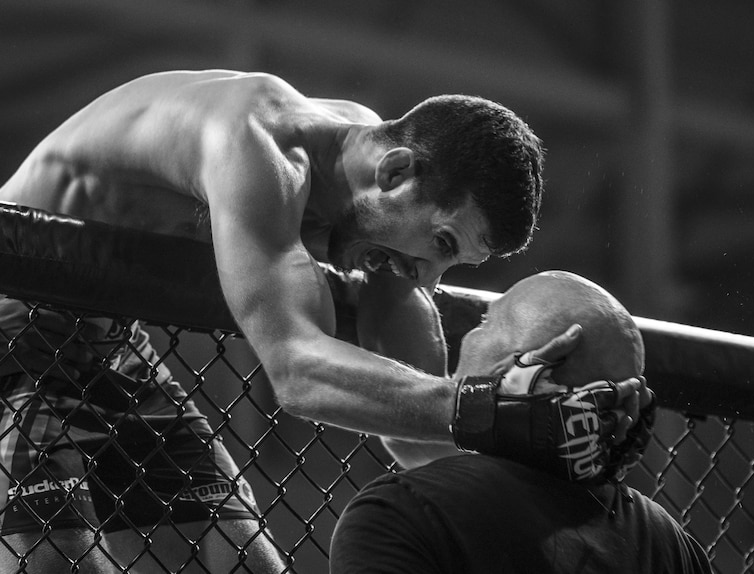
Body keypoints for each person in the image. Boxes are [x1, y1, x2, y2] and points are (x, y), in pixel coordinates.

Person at [0, 70, 649, 572]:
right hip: (8, 308)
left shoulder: (371, 212)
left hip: (106, 341)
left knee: (243, 560)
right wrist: (495, 412)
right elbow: (297, 372)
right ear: (396, 173)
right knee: (54, 560)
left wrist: (561, 480)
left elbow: (425, 438)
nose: (429, 276)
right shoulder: (256, 143)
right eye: (444, 244)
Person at [330, 271, 711, 573]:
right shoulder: (669, 544)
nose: (470, 334)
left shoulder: (403, 511)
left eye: (484, 322)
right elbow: (430, 448)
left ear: (521, 370)